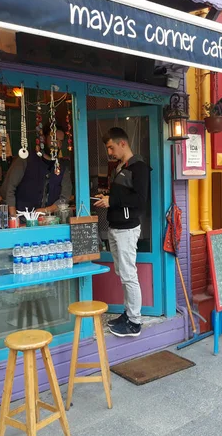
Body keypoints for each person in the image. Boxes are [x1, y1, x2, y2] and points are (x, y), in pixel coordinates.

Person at [94, 127, 151, 337]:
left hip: (127, 229)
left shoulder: (139, 167)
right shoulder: (120, 167)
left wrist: (112, 200)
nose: (109, 152)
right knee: (123, 273)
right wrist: (108, 197)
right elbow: (123, 196)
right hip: (116, 226)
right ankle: (128, 314)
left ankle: (134, 322)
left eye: (111, 147)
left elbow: (140, 200)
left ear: (123, 143)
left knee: (128, 275)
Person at [0, 124, 72, 218]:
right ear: (44, 139)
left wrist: (46, 210)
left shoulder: (62, 169)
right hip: (22, 220)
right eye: (54, 139)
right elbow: (9, 188)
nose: (57, 144)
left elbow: (65, 198)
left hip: (49, 221)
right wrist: (13, 216)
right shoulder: (25, 159)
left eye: (60, 141)